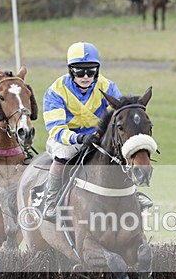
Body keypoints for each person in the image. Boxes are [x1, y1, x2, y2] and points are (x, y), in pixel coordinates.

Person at [42, 41, 121, 221]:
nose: (85, 76)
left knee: (120, 153)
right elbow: (56, 129)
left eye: (91, 71)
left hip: (98, 137)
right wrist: (79, 138)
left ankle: (133, 196)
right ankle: (51, 203)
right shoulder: (56, 91)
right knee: (63, 155)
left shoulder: (108, 87)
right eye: (79, 71)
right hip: (66, 139)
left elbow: (118, 117)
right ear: (71, 71)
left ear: (97, 71)